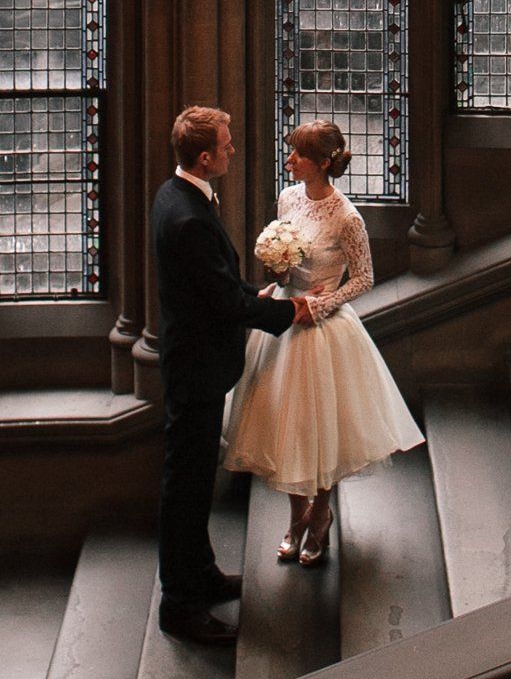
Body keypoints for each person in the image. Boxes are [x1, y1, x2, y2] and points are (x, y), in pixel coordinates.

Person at [224, 120, 425, 567]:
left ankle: (320, 517)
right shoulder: (288, 197)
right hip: (281, 318)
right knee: (283, 426)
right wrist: (277, 277)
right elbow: (284, 256)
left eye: (297, 154)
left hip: (321, 327)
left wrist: (323, 304)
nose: (289, 160)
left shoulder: (346, 217)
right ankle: (297, 517)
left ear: (321, 163)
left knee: (320, 429)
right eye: (290, 151)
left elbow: (366, 279)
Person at [150, 104, 315, 646]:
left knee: (195, 483)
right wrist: (290, 312)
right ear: (204, 156)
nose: (232, 150)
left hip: (194, 359)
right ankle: (180, 606)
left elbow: (215, 285)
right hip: (196, 368)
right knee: (187, 490)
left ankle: (201, 574)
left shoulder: (175, 195)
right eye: (226, 144)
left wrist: (253, 294)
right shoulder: (189, 218)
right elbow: (221, 300)